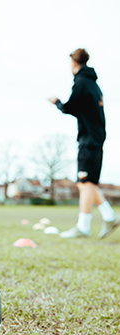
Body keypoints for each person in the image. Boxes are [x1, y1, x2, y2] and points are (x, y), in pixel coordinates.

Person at [48, 48, 120, 238]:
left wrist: (57, 102)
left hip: (89, 140)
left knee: (86, 182)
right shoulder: (95, 85)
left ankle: (83, 227)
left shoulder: (82, 82)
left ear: (73, 63)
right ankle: (109, 215)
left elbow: (70, 107)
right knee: (86, 183)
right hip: (95, 138)